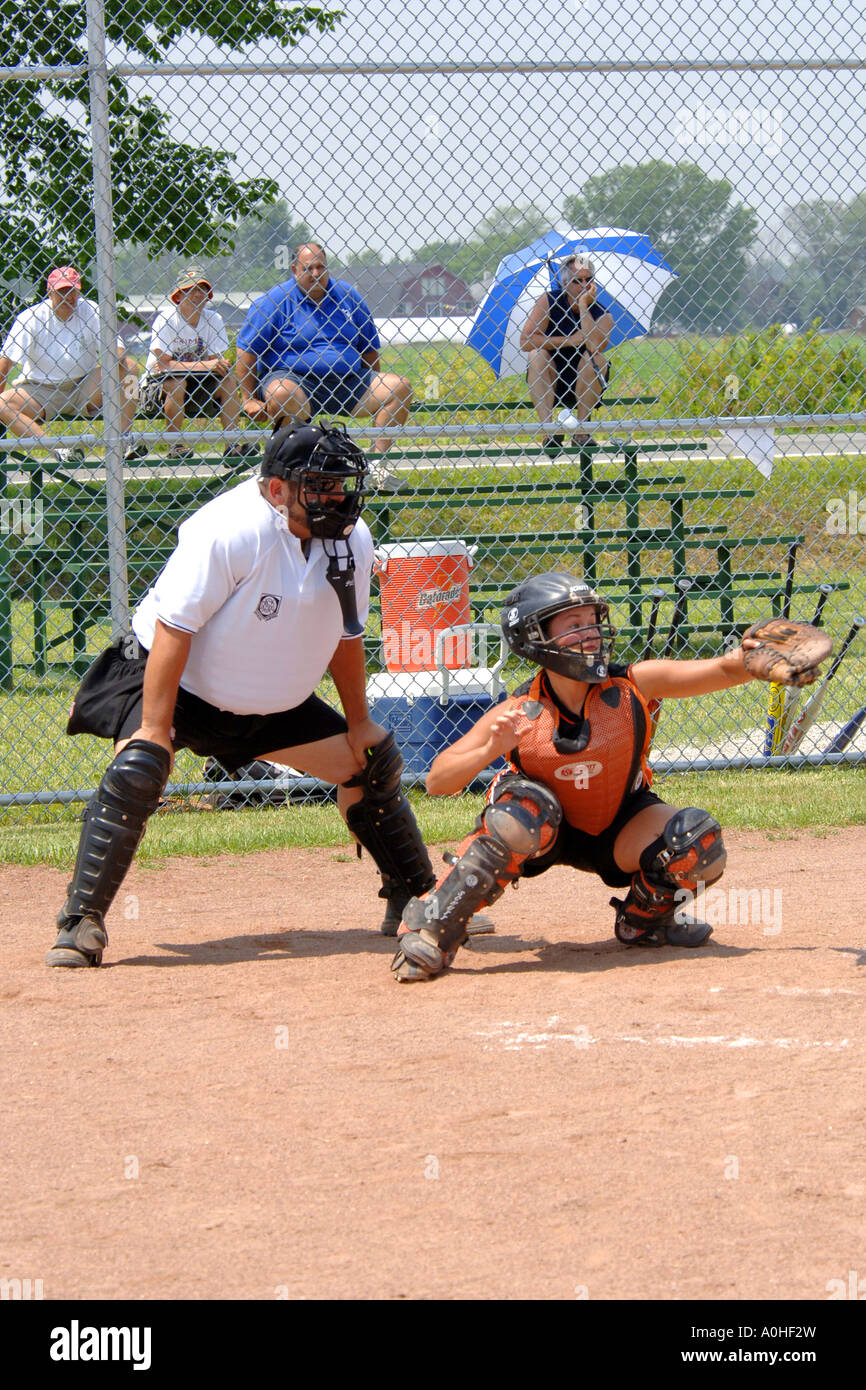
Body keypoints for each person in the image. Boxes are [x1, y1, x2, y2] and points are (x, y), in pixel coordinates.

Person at [45, 420, 435, 968]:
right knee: (139, 769)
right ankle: (81, 920)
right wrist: (156, 729)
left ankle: (416, 896)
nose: (336, 499)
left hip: (273, 702)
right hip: (176, 685)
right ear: (277, 490)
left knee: (369, 763)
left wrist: (360, 722)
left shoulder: (351, 541)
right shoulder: (229, 529)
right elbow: (174, 632)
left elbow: (348, 635)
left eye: (340, 485)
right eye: (318, 487)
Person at [389, 572, 827, 983]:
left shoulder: (635, 684)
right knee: (520, 811)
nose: (590, 633)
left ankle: (644, 920)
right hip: (543, 832)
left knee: (698, 844)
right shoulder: (519, 712)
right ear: (535, 638)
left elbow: (721, 670)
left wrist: (747, 660)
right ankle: (435, 929)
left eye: (593, 622)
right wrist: (487, 749)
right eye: (572, 624)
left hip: (619, 826)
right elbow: (437, 782)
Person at [235, 243, 412, 454]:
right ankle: (296, 464)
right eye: (308, 268)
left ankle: (376, 468)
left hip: (346, 382)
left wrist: (371, 375)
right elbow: (246, 351)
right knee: (281, 393)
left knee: (399, 388)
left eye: (321, 267)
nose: (316, 274)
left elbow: (369, 349)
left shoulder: (348, 296)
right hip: (295, 381)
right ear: (294, 270)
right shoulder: (275, 300)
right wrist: (249, 398)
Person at [0, 266, 144, 463]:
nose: (68, 297)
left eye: (72, 291)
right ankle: (58, 449)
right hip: (39, 391)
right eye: (61, 291)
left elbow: (118, 352)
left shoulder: (92, 310)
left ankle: (125, 439)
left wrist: (113, 361)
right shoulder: (30, 317)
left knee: (130, 367)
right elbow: (5, 364)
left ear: (79, 291)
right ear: (50, 293)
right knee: (0, 403)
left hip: (84, 386)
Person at [144, 266, 257, 461]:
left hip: (198, 385)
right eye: (190, 290)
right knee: (177, 382)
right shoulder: (166, 319)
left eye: (202, 289)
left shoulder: (213, 319)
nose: (197, 295)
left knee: (228, 381)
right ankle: (175, 445)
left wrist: (218, 365)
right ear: (178, 296)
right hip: (159, 389)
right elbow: (163, 366)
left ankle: (232, 444)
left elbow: (215, 362)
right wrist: (205, 366)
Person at [520, 255, 613, 451]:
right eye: (577, 281)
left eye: (588, 280)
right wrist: (568, 341)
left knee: (595, 358)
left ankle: (581, 431)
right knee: (537, 354)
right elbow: (526, 340)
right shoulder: (548, 301)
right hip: (551, 377)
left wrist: (582, 306)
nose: (584, 285)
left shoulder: (602, 313)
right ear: (564, 283)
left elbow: (596, 345)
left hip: (587, 380)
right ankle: (549, 431)